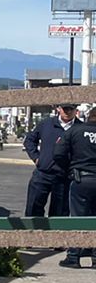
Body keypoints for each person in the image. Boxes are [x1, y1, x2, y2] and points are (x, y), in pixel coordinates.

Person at [24, 103, 76, 219]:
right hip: (42, 174)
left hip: (64, 178)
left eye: (71, 109)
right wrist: (36, 158)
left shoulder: (79, 128)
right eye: (65, 109)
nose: (67, 112)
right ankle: (32, 236)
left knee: (59, 216)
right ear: (58, 109)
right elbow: (29, 141)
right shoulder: (46, 124)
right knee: (33, 211)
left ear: (75, 110)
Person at [65, 104, 96, 268]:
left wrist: (68, 168)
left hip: (81, 179)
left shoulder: (76, 131)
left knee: (77, 218)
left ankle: (73, 256)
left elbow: (58, 152)